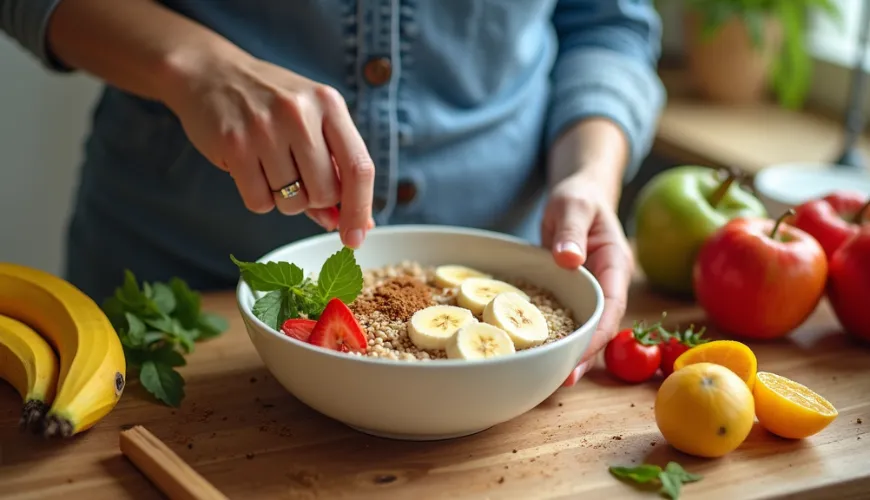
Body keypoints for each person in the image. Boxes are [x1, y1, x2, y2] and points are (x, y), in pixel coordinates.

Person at [0, 0, 665, 378]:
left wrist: (589, 174)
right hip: (173, 274)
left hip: (512, 263)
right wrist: (196, 66)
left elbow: (608, 21)